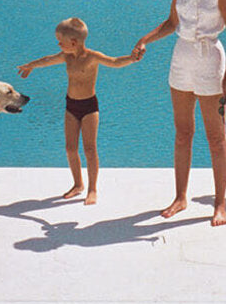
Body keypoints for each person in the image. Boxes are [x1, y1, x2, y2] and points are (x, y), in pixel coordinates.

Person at [132, 0, 226, 226]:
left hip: (210, 62)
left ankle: (219, 204)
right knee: (182, 134)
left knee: (216, 139)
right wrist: (145, 39)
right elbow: (172, 22)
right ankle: (181, 198)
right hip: (181, 59)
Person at [18, 16, 139, 204]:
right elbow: (48, 60)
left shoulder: (92, 57)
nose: (58, 45)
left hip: (89, 107)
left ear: (73, 42)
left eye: (61, 42)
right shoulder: (66, 56)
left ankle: (92, 189)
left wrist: (131, 59)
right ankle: (78, 184)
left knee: (90, 149)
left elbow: (114, 61)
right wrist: (31, 66)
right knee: (70, 148)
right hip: (71, 105)